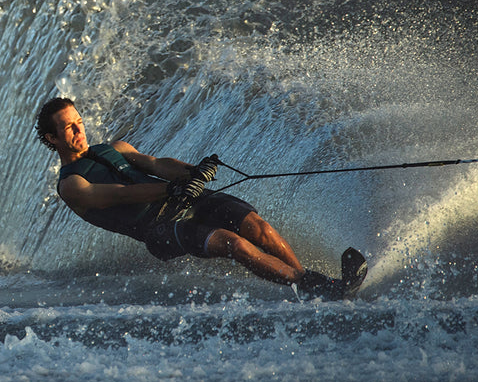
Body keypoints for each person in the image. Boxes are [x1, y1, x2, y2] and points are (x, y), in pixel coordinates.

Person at [34, 97, 363, 299]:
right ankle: (320, 287)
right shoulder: (71, 186)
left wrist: (193, 171)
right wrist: (172, 189)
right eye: (69, 128)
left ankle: (312, 287)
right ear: (52, 138)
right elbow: (123, 195)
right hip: (160, 229)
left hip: (185, 198)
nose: (80, 131)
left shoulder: (113, 148)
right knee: (232, 243)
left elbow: (156, 164)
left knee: (257, 227)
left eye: (79, 121)